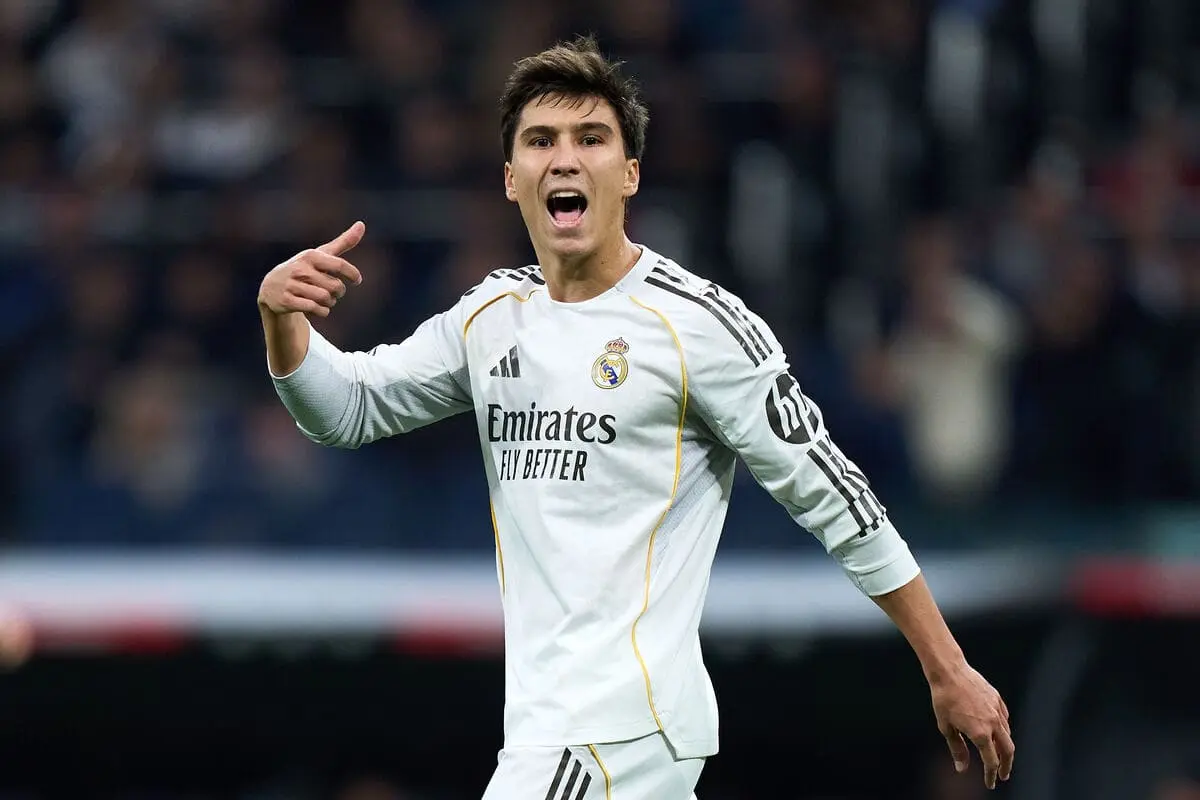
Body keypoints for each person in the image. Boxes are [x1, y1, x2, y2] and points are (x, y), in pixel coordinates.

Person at [257, 35, 1015, 800]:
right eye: (541, 141)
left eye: (591, 138)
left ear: (630, 173)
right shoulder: (490, 318)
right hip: (556, 725)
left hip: (618, 726)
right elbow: (347, 408)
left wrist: (947, 666)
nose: (565, 159)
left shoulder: (697, 326)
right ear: (511, 178)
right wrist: (283, 321)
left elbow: (834, 494)